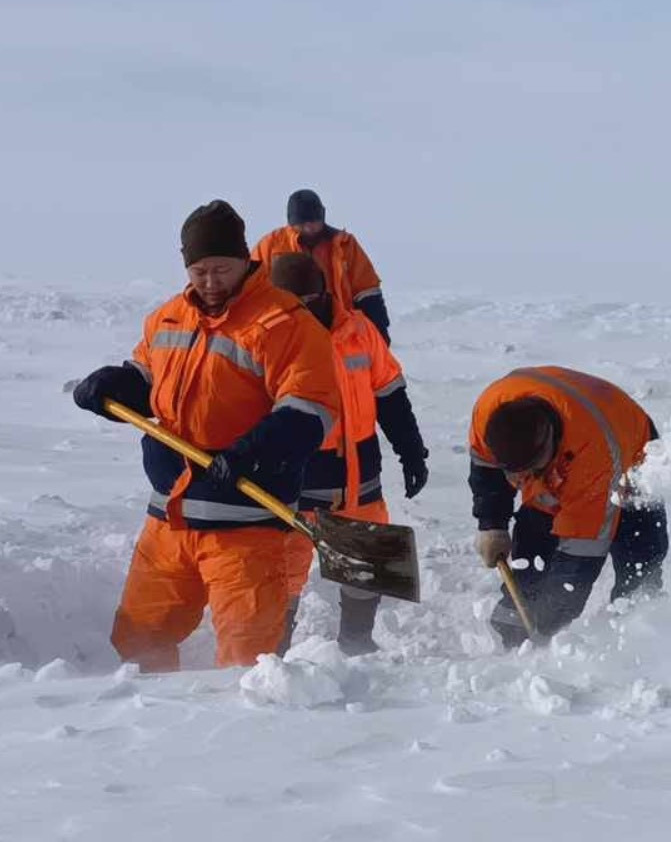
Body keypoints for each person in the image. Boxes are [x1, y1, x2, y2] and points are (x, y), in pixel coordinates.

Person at [72, 201, 340, 672]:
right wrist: (113, 387)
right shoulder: (167, 319)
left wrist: (252, 453)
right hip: (169, 518)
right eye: (199, 271)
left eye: (221, 269)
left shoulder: (284, 323)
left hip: (247, 525)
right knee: (138, 645)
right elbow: (147, 380)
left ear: (245, 260)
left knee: (245, 663)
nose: (211, 282)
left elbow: (310, 409)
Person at [269, 253, 428, 655]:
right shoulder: (265, 335)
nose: (299, 312)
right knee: (280, 575)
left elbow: (390, 394)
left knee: (368, 566)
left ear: (322, 293)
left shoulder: (359, 330)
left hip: (359, 473)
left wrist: (411, 450)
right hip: (293, 475)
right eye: (290, 305)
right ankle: (273, 658)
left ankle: (357, 645)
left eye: (306, 301)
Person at [468, 366, 669, 648]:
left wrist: (547, 623)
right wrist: (491, 524)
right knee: (535, 542)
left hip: (632, 452)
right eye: (515, 474)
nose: (520, 482)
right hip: (575, 441)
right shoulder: (490, 410)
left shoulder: (594, 457)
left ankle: (638, 638)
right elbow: (485, 469)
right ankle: (510, 631)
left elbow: (580, 558)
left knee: (640, 558)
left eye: (529, 472)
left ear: (550, 446)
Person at [252, 189, 392, 343]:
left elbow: (366, 290)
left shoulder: (345, 245)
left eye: (314, 222)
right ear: (292, 223)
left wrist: (379, 328)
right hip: (288, 333)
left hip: (341, 331)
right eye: (303, 223)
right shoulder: (271, 246)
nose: (310, 228)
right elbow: (252, 290)